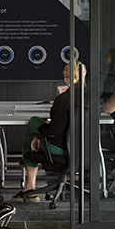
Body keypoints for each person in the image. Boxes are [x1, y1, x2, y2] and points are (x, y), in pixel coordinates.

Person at [15, 61, 85, 201]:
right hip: (83, 148)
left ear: (66, 77)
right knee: (35, 123)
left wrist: (39, 135)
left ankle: (30, 185)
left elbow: (56, 129)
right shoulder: (89, 98)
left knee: (31, 135)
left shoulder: (64, 99)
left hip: (62, 148)